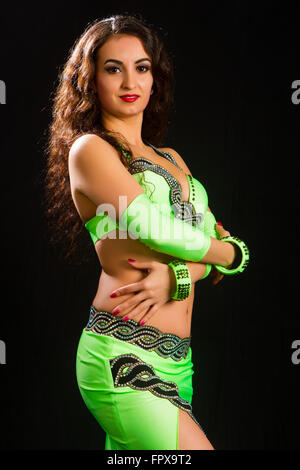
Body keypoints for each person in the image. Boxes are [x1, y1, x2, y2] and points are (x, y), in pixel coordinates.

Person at [45, 14, 249, 450]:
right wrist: (230, 255)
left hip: (179, 364)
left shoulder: (171, 158)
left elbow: (206, 242)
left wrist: (180, 274)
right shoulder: (91, 150)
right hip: (122, 356)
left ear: (155, 78)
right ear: (90, 80)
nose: (129, 80)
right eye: (112, 68)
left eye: (141, 67)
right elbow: (158, 231)